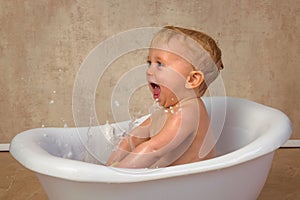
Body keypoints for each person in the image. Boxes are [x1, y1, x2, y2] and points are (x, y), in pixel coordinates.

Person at [106, 26, 224, 168]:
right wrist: (108, 167)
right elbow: (133, 138)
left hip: (193, 185)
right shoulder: (168, 110)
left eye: (160, 64)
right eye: (149, 62)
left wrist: (116, 174)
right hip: (170, 185)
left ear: (191, 80)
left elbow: (153, 149)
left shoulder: (189, 112)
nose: (149, 71)